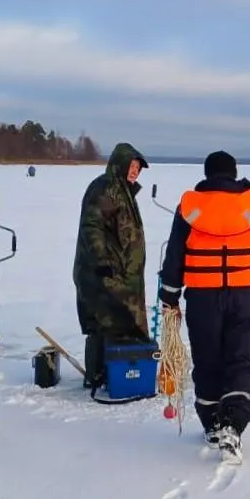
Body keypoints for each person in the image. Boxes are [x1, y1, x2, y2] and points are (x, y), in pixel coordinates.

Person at [157, 150, 250, 461]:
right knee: (242, 360)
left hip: (202, 297)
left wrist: (169, 296)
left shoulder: (189, 205)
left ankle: (213, 424)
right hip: (246, 296)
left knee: (208, 360)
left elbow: (175, 254)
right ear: (234, 173)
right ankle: (233, 423)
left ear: (206, 175)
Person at [72, 142, 151, 390]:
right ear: (120, 164)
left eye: (138, 168)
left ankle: (115, 374)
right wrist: (102, 261)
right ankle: (99, 375)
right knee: (105, 322)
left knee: (118, 323)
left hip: (121, 272)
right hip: (103, 272)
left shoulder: (123, 191)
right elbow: (91, 226)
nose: (135, 171)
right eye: (132, 166)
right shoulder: (106, 188)